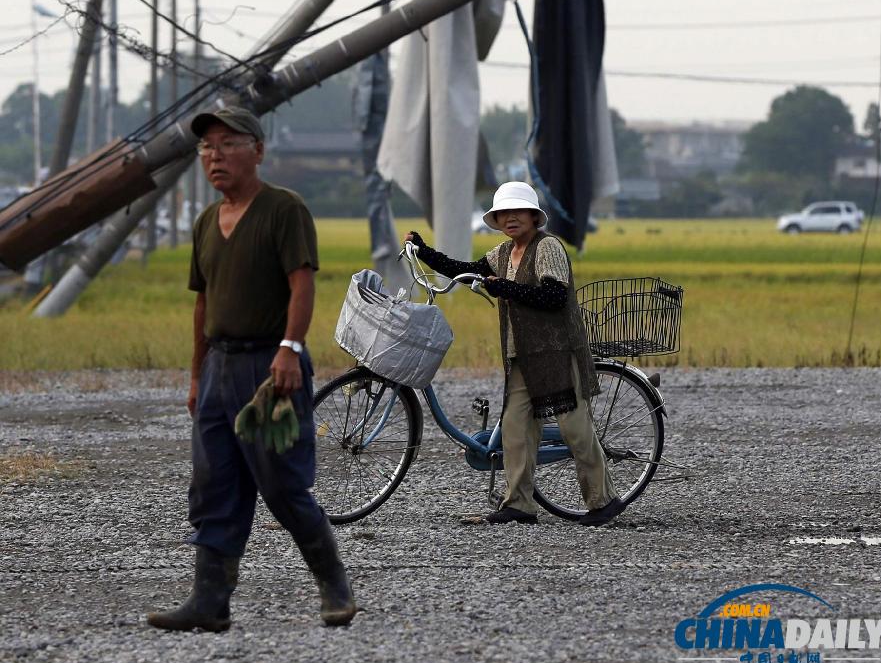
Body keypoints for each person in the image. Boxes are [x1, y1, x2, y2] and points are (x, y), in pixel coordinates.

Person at [147, 106, 356, 633]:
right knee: (213, 483)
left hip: (270, 365)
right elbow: (203, 304)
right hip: (219, 365)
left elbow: (302, 283)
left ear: (257, 150)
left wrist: (290, 348)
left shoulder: (284, 209)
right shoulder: (203, 222)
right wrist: (197, 376)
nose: (214, 156)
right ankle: (209, 602)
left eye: (226, 144)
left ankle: (335, 585)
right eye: (205, 148)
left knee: (281, 482)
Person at [405, 181, 624, 527]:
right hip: (521, 354)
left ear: (534, 217)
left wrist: (505, 287)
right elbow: (465, 270)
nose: (510, 218)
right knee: (515, 429)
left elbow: (553, 297)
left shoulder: (548, 247)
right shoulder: (503, 254)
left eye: (517, 211)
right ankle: (519, 504)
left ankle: (604, 500)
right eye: (503, 213)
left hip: (555, 351)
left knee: (575, 428)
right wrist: (423, 250)